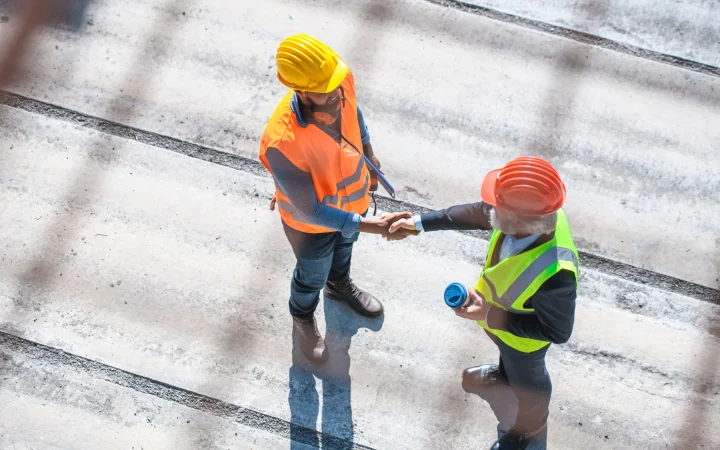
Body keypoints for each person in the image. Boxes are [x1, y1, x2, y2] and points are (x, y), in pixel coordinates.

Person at [389, 157, 579, 450]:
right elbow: (476, 212)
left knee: (530, 384)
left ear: (517, 219)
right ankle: (503, 377)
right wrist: (419, 223)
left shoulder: (556, 275)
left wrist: (491, 315)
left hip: (523, 343)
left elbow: (557, 332)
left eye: (497, 205)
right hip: (499, 326)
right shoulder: (531, 215)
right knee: (509, 362)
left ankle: (529, 429)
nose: (489, 208)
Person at [259, 34, 414, 365]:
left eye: (335, 83)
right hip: (309, 227)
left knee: (343, 251)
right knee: (311, 273)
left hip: (351, 205)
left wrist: (369, 155)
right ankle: (302, 316)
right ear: (300, 90)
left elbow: (354, 112)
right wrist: (370, 225)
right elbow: (309, 209)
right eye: (325, 89)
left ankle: (339, 285)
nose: (336, 92)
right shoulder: (282, 142)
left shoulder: (338, 79)